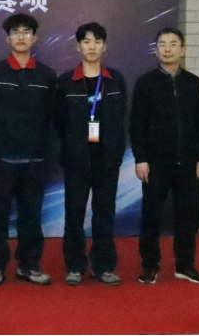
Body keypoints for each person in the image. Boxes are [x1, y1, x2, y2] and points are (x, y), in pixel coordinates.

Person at [0, 13, 56, 286]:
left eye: (26, 32)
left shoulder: (46, 75)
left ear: (34, 38)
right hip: (2, 160)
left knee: (31, 216)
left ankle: (29, 265)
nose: (21, 37)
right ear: (7, 39)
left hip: (35, 160)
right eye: (16, 32)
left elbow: (52, 116)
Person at [130, 27, 199, 284]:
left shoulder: (193, 82)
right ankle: (150, 266)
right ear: (156, 50)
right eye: (162, 44)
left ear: (182, 50)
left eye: (173, 44)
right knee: (151, 216)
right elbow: (137, 125)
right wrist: (141, 158)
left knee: (187, 216)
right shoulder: (145, 83)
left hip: (188, 161)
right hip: (155, 163)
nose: (167, 49)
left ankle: (185, 265)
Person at [56, 22, 126, 286]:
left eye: (97, 41)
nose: (92, 47)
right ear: (78, 46)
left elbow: (121, 118)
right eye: (86, 42)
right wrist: (72, 145)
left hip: (106, 159)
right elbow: (59, 121)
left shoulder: (115, 80)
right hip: (76, 159)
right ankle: (75, 266)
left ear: (104, 46)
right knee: (74, 213)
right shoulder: (66, 81)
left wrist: (114, 151)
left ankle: (103, 266)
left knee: (104, 212)